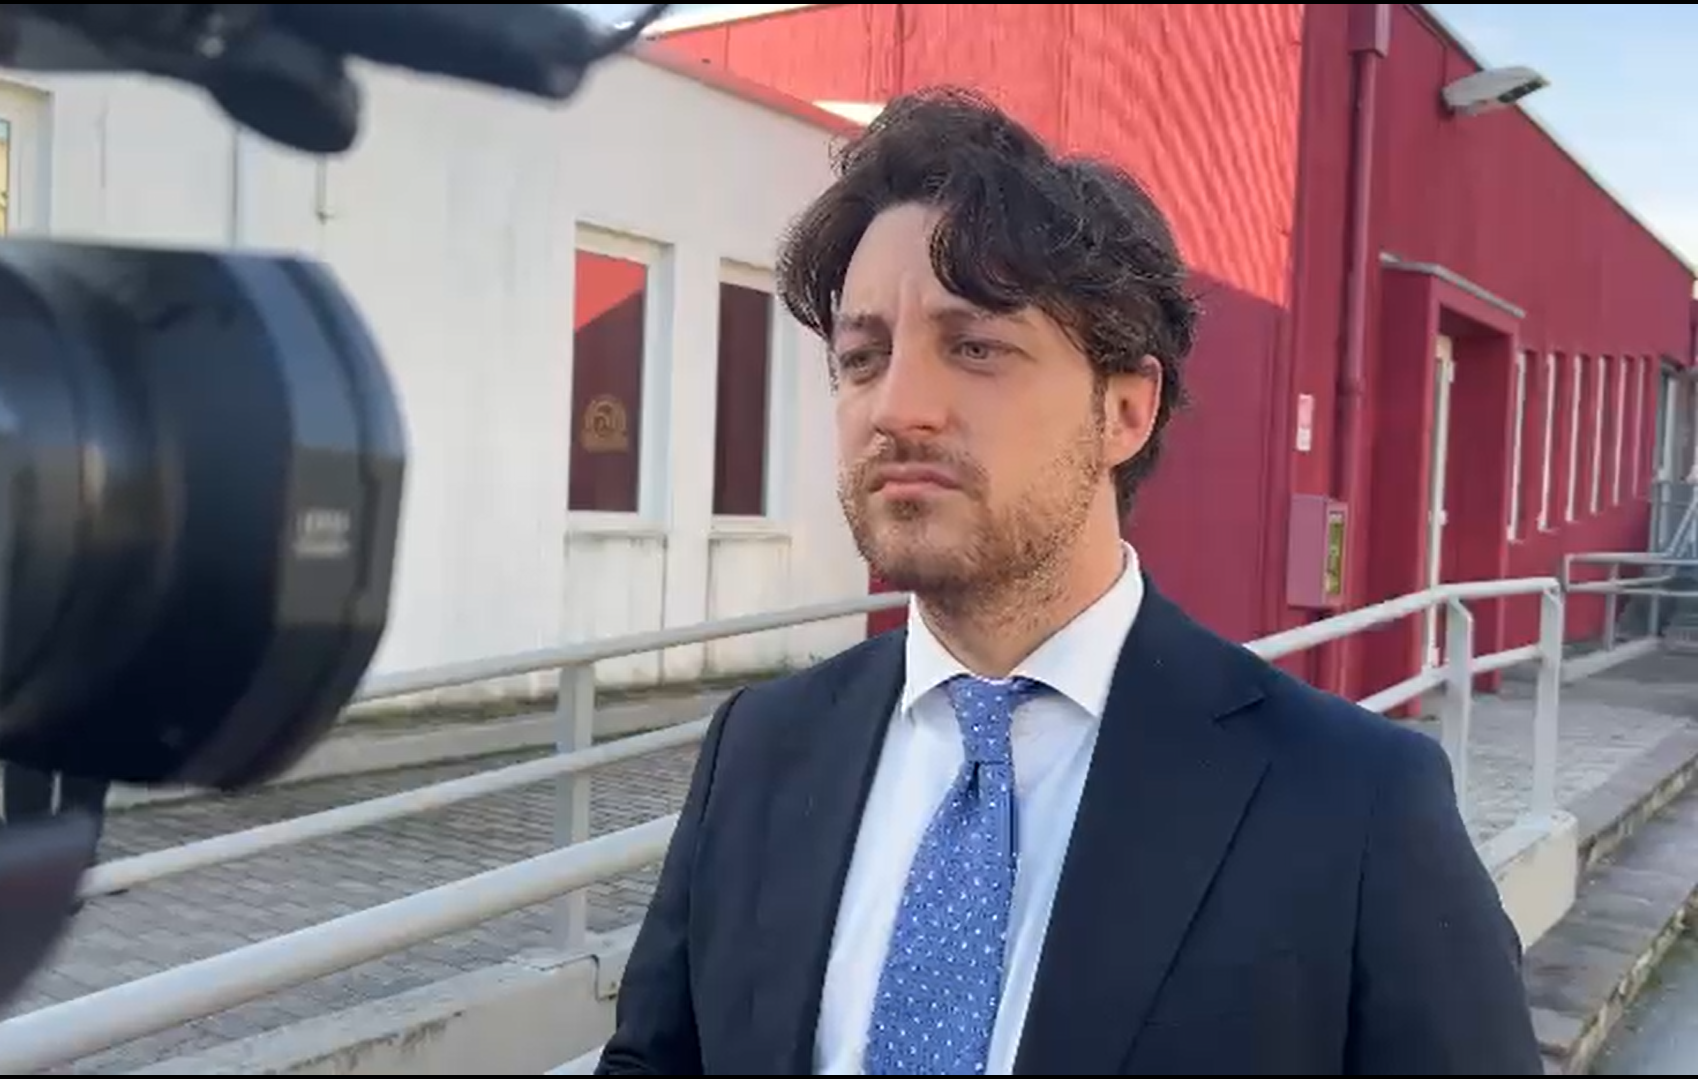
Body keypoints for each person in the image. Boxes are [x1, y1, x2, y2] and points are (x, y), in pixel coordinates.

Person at [595, 87, 1542, 1075]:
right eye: (862, 356)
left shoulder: (1351, 801)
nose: (897, 406)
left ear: (1125, 410)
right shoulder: (759, 748)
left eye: (975, 347)